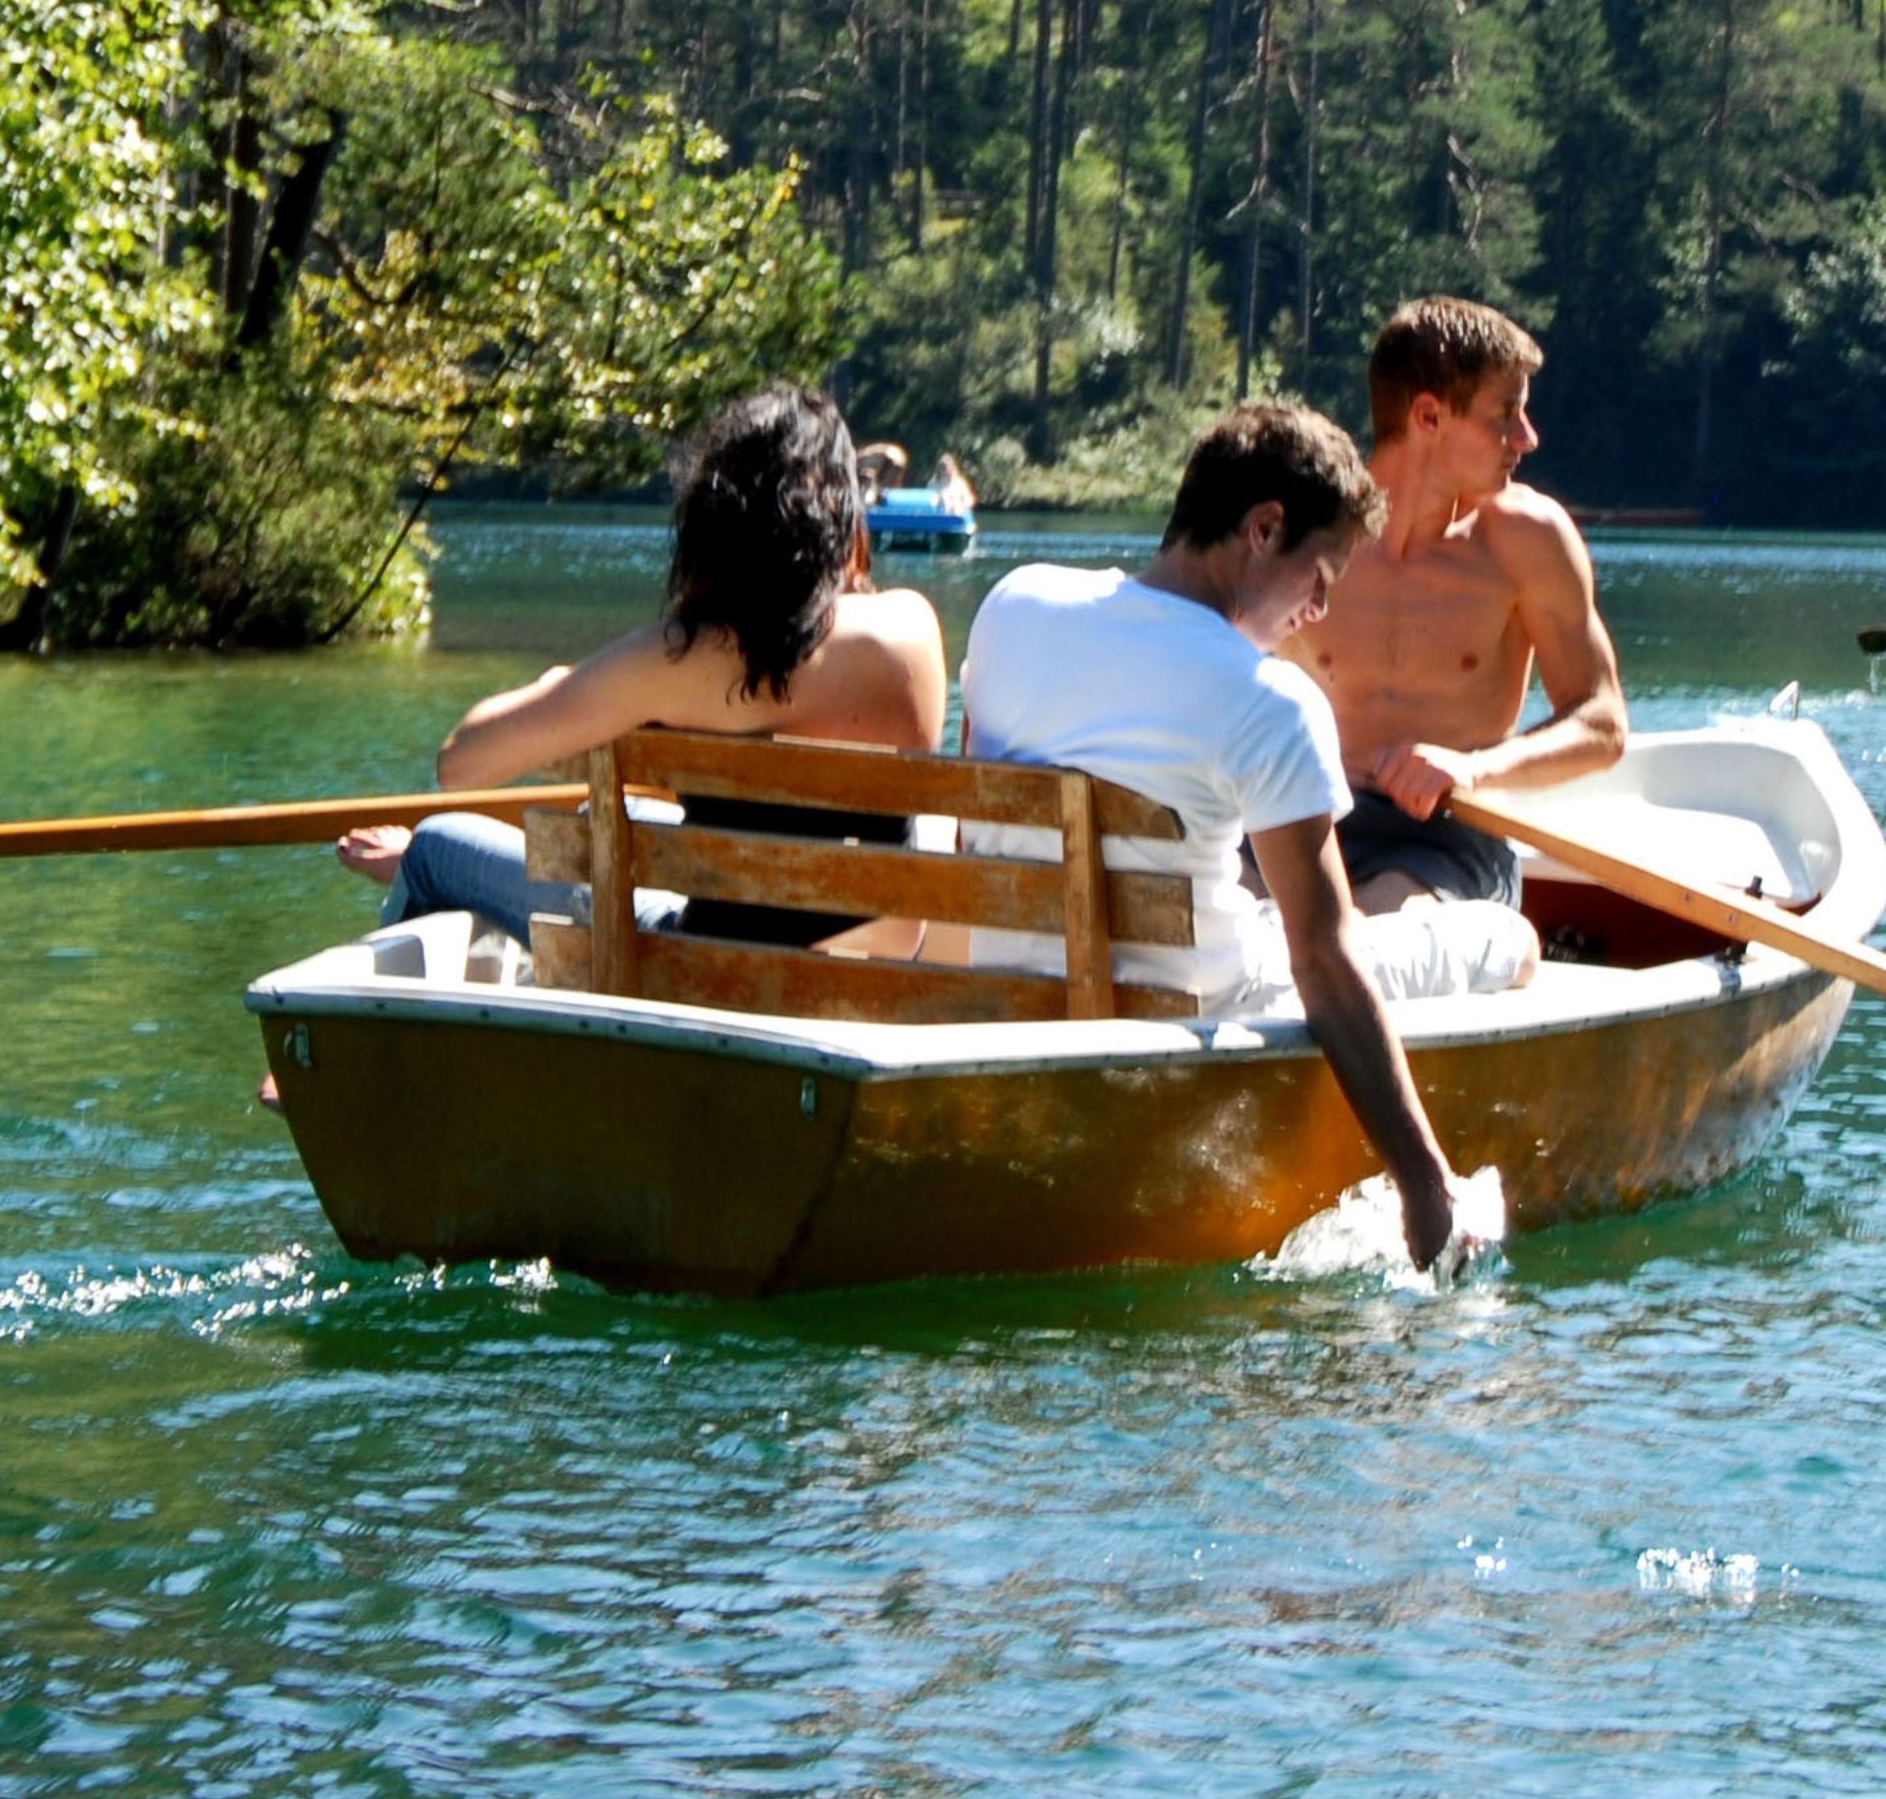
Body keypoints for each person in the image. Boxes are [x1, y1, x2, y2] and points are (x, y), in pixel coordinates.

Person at [956, 400, 1485, 1269]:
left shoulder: (1015, 604)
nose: (1320, 608)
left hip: (1022, 996)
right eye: (1322, 574)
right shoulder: (1268, 700)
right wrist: (1427, 1188)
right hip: (1202, 1016)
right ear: (1264, 528)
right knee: (1502, 938)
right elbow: (1324, 960)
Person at [343, 384, 947, 947]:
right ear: (840, 517)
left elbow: (462, 761)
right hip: (865, 973)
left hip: (703, 978)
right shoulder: (911, 632)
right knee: (617, 816)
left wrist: (564, 689)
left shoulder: (673, 660)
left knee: (434, 847)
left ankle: (312, 1060)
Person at [1281, 298, 1627, 920]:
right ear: (1429, 415)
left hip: (1447, 838)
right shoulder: (1306, 537)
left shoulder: (1527, 539)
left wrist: (1471, 768)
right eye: (1506, 414)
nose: (1527, 437)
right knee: (1222, 926)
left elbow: (1602, 724)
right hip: (1306, 822)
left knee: (1380, 936)